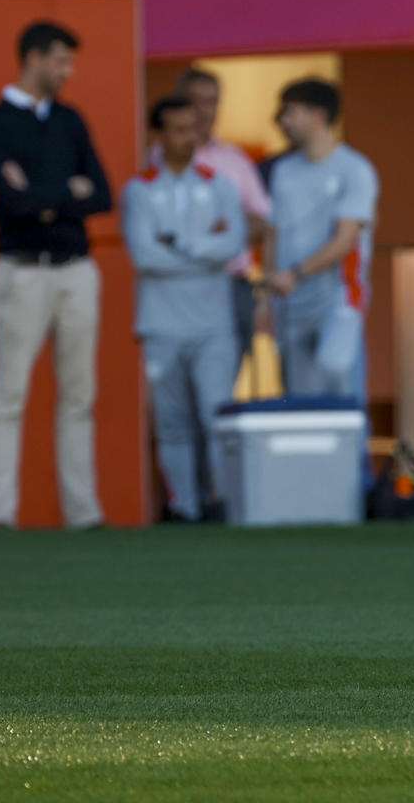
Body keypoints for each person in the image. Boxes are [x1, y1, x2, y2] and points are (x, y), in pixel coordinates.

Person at [0, 20, 112, 530]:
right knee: (9, 393)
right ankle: (0, 513)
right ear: (33, 58)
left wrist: (43, 197)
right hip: (23, 273)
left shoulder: (71, 120)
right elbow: (14, 203)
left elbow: (101, 193)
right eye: (60, 60)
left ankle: (83, 512)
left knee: (79, 394)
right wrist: (64, 195)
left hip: (76, 271)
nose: (67, 71)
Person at [123, 96, 247, 521]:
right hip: (161, 324)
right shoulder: (140, 189)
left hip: (214, 324)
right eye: (177, 130)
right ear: (159, 135)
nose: (187, 139)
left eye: (193, 129)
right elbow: (144, 256)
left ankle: (220, 502)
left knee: (217, 415)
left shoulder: (220, 184)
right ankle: (183, 506)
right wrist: (204, 253)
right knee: (172, 421)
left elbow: (232, 245)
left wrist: (180, 242)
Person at [266, 79, 379, 402]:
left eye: (290, 111)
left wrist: (297, 273)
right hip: (291, 302)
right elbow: (275, 231)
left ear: (317, 115)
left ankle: (353, 454)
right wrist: (270, 288)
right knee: (301, 398)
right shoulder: (283, 171)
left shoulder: (355, 169)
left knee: (339, 380)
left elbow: (346, 239)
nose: (282, 120)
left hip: (338, 298)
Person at [154, 68, 272, 366]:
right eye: (197, 102)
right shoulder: (157, 160)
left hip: (231, 286)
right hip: (179, 287)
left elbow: (262, 222)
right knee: (179, 390)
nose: (206, 111)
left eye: (213, 102)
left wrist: (218, 229)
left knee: (224, 389)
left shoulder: (235, 161)